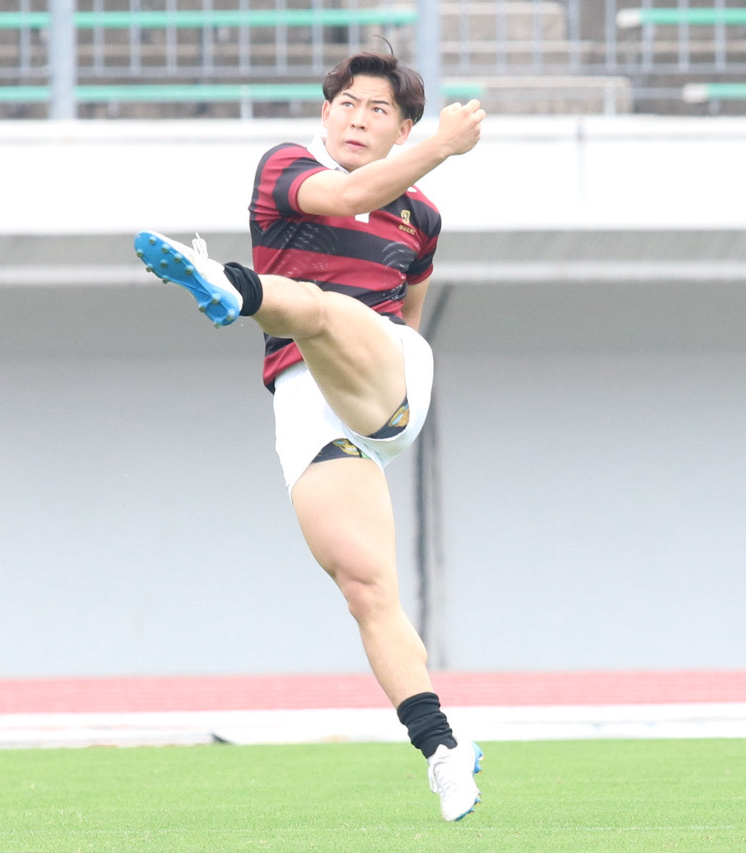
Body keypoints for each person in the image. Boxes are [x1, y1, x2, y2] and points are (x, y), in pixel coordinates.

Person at [134, 50, 486, 822]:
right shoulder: (286, 167)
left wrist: (390, 376)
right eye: (347, 104)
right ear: (326, 112)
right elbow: (350, 194)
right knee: (366, 588)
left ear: (402, 130)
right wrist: (445, 145)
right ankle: (444, 747)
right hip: (306, 402)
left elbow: (408, 307)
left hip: (385, 368)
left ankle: (231, 286)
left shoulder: (420, 216)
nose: (358, 119)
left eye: (378, 110)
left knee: (322, 309)